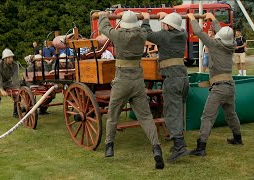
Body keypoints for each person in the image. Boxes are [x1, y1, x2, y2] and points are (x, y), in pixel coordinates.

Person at [98, 10, 164, 169]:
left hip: (121, 81)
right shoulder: (142, 34)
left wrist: (102, 15)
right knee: (146, 117)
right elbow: (146, 28)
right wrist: (146, 18)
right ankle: (156, 148)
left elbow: (103, 27)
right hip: (137, 82)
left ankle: (109, 146)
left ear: (123, 24)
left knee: (113, 115)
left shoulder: (118, 35)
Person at [187, 13, 243, 156]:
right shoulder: (232, 44)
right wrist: (214, 19)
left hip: (219, 88)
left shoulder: (214, 44)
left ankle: (201, 147)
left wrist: (192, 18)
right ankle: (238, 138)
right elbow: (223, 33)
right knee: (231, 114)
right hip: (230, 85)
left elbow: (198, 32)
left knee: (207, 117)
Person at [141, 12, 189, 162]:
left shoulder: (164, 36)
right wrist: (166, 18)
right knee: (178, 111)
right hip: (183, 79)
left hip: (172, 80)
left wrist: (146, 19)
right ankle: (178, 143)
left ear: (168, 26)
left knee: (171, 113)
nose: (163, 25)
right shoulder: (183, 34)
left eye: (164, 23)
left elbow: (147, 34)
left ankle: (180, 147)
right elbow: (171, 26)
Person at [0, 48, 20, 123]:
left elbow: (15, 78)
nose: (11, 59)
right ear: (5, 58)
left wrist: (17, 88)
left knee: (18, 94)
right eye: (9, 58)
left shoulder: (15, 65)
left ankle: (16, 112)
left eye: (12, 57)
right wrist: (1, 89)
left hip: (7, 82)